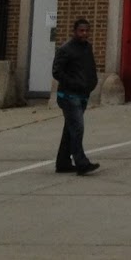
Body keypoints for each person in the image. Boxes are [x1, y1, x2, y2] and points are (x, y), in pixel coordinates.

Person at [52, 18, 100, 175]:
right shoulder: (66, 49)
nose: (84, 33)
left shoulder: (87, 48)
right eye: (81, 30)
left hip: (82, 94)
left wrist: (92, 83)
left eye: (86, 30)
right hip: (68, 95)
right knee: (77, 128)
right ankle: (81, 162)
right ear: (75, 31)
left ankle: (63, 162)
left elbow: (90, 68)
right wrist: (73, 84)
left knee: (70, 129)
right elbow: (57, 72)